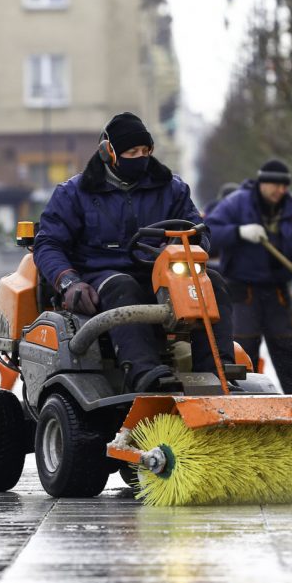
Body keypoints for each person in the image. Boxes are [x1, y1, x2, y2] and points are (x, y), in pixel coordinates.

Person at [33, 112, 235, 392]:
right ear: (109, 153)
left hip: (161, 274)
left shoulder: (172, 189)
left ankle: (218, 370)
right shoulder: (74, 194)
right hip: (99, 277)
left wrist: (181, 246)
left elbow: (198, 231)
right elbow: (48, 244)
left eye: (145, 151)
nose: (141, 157)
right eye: (132, 152)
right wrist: (69, 281)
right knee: (122, 286)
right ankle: (144, 373)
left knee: (211, 282)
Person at [206, 159, 292, 395]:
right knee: (243, 348)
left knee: (286, 346)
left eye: (284, 186)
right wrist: (238, 232)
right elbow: (209, 231)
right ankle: (244, 399)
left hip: (277, 290)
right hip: (242, 290)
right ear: (262, 183)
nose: (281, 191)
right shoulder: (237, 203)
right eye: (275, 185)